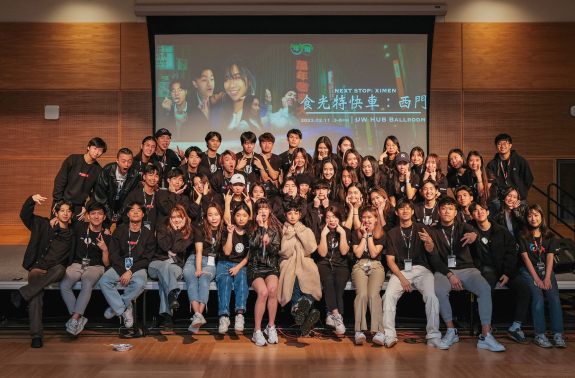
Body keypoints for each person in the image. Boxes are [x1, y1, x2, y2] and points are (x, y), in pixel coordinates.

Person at [427, 197, 505, 352]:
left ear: (455, 212)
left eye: (450, 208)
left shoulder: (463, 226)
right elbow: (434, 259)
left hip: (468, 270)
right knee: (439, 291)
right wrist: (450, 275)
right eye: (444, 208)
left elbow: (473, 232)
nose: (447, 211)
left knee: (484, 289)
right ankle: (451, 331)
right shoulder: (432, 231)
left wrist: (474, 235)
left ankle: (485, 335)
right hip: (445, 271)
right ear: (438, 211)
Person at [382, 198, 448, 350]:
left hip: (422, 269)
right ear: (397, 213)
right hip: (400, 271)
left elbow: (431, 251)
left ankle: (433, 336)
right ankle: (389, 335)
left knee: (431, 296)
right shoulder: (392, 233)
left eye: (408, 208)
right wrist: (403, 279)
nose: (405, 211)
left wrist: (429, 242)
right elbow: (390, 261)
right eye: (401, 209)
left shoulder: (421, 228)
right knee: (388, 296)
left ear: (412, 211)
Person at [12, 195, 75, 348]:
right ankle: (36, 336)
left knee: (60, 269)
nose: (65, 213)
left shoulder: (73, 232)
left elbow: (95, 222)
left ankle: (21, 293)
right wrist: (31, 199)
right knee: (36, 294)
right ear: (56, 212)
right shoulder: (43, 224)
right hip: (38, 268)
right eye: (62, 210)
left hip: (55, 270)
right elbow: (24, 215)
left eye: (68, 211)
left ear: (72, 214)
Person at [469, 202, 531, 344]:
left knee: (525, 291)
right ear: (472, 215)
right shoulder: (470, 229)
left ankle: (516, 327)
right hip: (486, 268)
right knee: (485, 290)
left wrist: (507, 272)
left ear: (488, 212)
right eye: (476, 211)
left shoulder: (501, 230)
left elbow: (511, 253)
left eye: (482, 209)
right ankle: (485, 329)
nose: (480, 212)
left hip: (505, 268)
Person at [99, 201, 155, 330]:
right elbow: (113, 254)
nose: (135, 212)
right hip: (120, 266)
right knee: (104, 281)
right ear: (128, 214)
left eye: (138, 210)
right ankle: (125, 308)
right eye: (132, 210)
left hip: (138, 268)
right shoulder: (119, 231)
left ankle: (116, 306)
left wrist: (130, 271)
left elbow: (147, 258)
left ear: (143, 214)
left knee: (140, 282)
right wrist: (124, 270)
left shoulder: (149, 235)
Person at [517, 204, 565, 348]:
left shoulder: (549, 235)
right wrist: (537, 279)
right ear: (526, 218)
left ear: (541, 217)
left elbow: (550, 258)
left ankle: (557, 334)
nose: (533, 218)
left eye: (536, 215)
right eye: (530, 215)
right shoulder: (522, 235)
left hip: (546, 271)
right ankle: (540, 335)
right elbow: (525, 259)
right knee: (537, 297)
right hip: (528, 270)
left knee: (554, 299)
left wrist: (547, 277)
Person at [60, 202, 111, 336]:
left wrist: (105, 249)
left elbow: (106, 263)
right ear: (88, 215)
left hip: (96, 266)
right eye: (93, 213)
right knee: (64, 284)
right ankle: (77, 317)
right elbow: (65, 218)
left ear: (104, 217)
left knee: (87, 283)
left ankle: (74, 318)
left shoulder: (107, 235)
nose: (96, 216)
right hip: (78, 264)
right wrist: (54, 218)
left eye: (99, 214)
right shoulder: (79, 227)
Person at [278, 202, 321, 336]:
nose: (292, 216)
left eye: (295, 213)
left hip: (305, 261)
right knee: (294, 278)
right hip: (288, 262)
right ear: (285, 215)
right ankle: (302, 309)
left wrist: (300, 232)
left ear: (300, 215)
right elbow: (284, 252)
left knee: (310, 279)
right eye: (289, 213)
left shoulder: (306, 230)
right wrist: (290, 235)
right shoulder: (282, 230)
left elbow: (311, 248)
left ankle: (299, 309)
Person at [149, 204, 194, 332]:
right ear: (169, 218)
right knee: (165, 267)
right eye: (173, 217)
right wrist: (174, 232)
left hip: (175, 266)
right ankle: (171, 298)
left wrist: (177, 232)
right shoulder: (162, 229)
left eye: (179, 217)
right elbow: (164, 246)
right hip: (157, 264)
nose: (176, 220)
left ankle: (167, 315)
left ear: (184, 217)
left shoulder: (189, 232)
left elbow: (176, 249)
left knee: (166, 277)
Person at [183, 203, 224, 333]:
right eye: (210, 215)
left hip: (211, 263)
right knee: (191, 276)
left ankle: (197, 317)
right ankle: (198, 315)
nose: (214, 218)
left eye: (216, 214)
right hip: (195, 259)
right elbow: (198, 251)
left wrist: (202, 271)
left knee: (205, 278)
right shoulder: (200, 227)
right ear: (206, 216)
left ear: (220, 215)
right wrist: (198, 269)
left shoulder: (223, 228)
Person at [247, 198, 283, 346]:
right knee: (263, 292)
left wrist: (267, 244)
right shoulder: (251, 226)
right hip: (255, 267)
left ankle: (271, 327)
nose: (262, 211)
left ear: (270, 210)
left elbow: (276, 250)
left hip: (271, 266)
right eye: (260, 208)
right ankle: (257, 331)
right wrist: (261, 228)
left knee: (273, 290)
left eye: (265, 208)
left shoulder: (275, 228)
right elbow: (253, 244)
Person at [351, 206, 386, 345]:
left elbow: (373, 253)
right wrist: (364, 235)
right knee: (362, 295)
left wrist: (370, 235)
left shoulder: (383, 234)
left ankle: (379, 331)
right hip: (360, 265)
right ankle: (359, 330)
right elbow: (358, 253)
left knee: (373, 295)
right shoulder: (355, 233)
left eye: (370, 217)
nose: (367, 220)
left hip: (376, 266)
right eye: (364, 217)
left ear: (376, 218)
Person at [52, 137, 107, 221]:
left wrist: (87, 207)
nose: (96, 152)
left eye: (100, 150)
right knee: (55, 228)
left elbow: (96, 192)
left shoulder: (98, 170)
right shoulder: (73, 159)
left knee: (78, 231)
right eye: (95, 148)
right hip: (62, 201)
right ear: (88, 147)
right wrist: (58, 201)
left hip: (78, 205)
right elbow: (60, 180)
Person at [217, 203, 251, 333]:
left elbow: (248, 255)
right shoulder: (227, 229)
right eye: (238, 215)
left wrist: (237, 267)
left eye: (244, 215)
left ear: (248, 217)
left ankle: (239, 314)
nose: (241, 218)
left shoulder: (250, 232)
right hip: (225, 262)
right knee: (224, 281)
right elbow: (227, 252)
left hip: (241, 264)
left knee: (242, 279)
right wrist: (230, 234)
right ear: (234, 216)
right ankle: (224, 316)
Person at [317, 206, 351, 335]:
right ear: (324, 218)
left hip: (341, 264)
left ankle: (330, 313)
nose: (332, 220)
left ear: (339, 218)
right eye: (328, 217)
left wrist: (342, 234)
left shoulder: (346, 231)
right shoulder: (320, 230)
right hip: (324, 264)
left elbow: (343, 251)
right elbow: (322, 253)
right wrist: (324, 235)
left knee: (340, 281)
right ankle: (337, 315)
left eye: (334, 216)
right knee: (328, 280)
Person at [91, 148, 140, 227]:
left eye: (129, 161)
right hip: (107, 203)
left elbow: (130, 198)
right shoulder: (107, 170)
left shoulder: (135, 174)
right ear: (117, 160)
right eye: (123, 161)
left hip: (123, 206)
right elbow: (101, 195)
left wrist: (119, 215)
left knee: (123, 231)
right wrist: (109, 214)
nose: (126, 164)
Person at [210, 55, 256, 130]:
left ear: (250, 80)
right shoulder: (215, 114)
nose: (231, 85)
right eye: (227, 79)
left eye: (237, 77)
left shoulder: (263, 113)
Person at [487, 133, 534, 203]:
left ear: (510, 145)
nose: (502, 146)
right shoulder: (492, 164)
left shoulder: (520, 161)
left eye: (505, 143)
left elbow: (528, 179)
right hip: (500, 200)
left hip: (518, 199)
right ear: (496, 146)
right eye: (499, 144)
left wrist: (521, 191)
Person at [120, 164, 160, 231]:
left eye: (156, 176)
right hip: (135, 232)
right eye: (150, 175)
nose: (153, 178)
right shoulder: (134, 194)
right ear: (144, 177)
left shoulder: (159, 196)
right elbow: (125, 214)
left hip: (153, 234)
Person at [257, 132, 282, 198]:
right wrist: (268, 178)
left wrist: (265, 159)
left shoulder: (277, 158)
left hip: (274, 193)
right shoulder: (256, 158)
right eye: (264, 142)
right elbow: (258, 179)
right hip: (259, 193)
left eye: (269, 143)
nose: (267, 145)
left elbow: (274, 176)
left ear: (273, 145)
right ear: (260, 144)